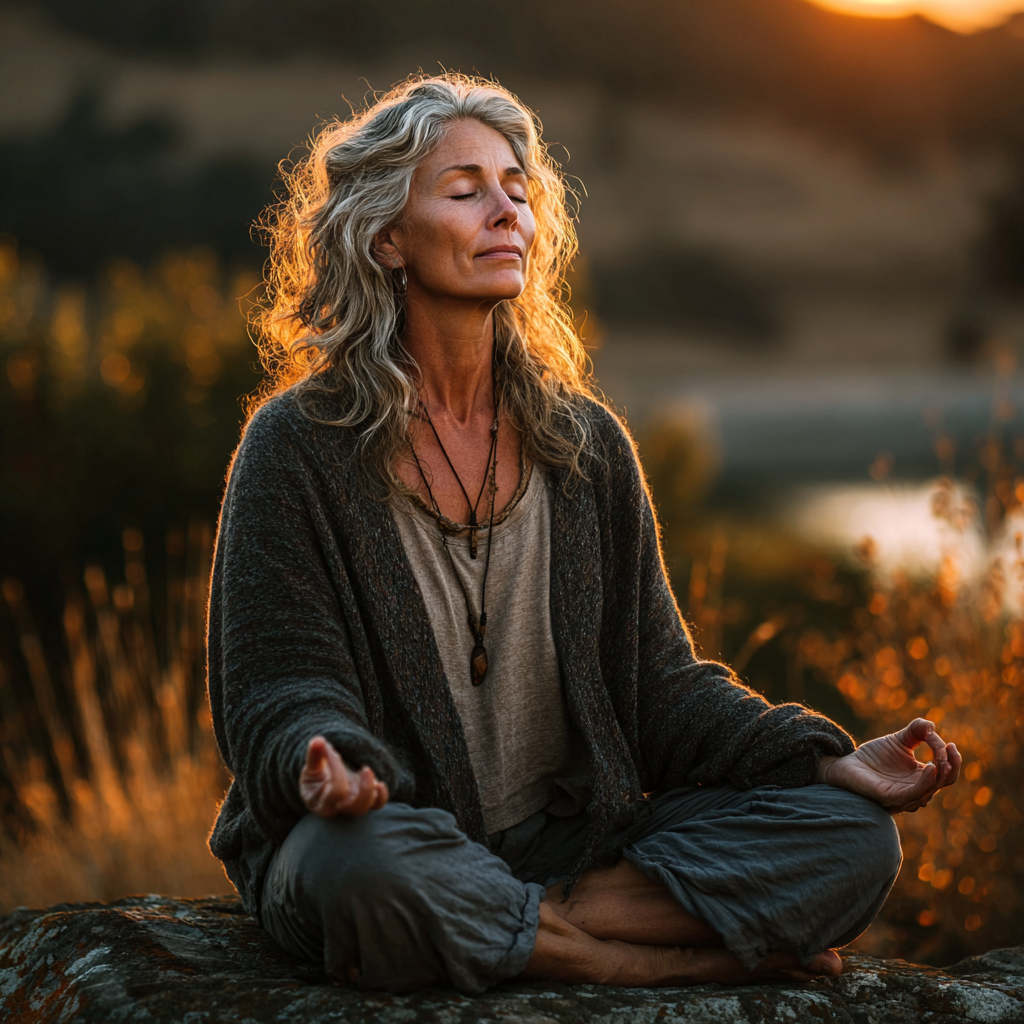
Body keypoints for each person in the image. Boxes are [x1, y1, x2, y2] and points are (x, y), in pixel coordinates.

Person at [206, 74, 961, 994]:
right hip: (395, 833)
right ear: (385, 236)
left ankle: (516, 928)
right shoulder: (296, 448)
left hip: (574, 848)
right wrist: (331, 768)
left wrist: (828, 762)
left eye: (519, 190)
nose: (505, 211)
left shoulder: (584, 444)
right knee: (360, 869)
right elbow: (282, 690)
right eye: (465, 190)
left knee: (854, 839)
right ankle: (633, 963)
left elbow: (661, 687)